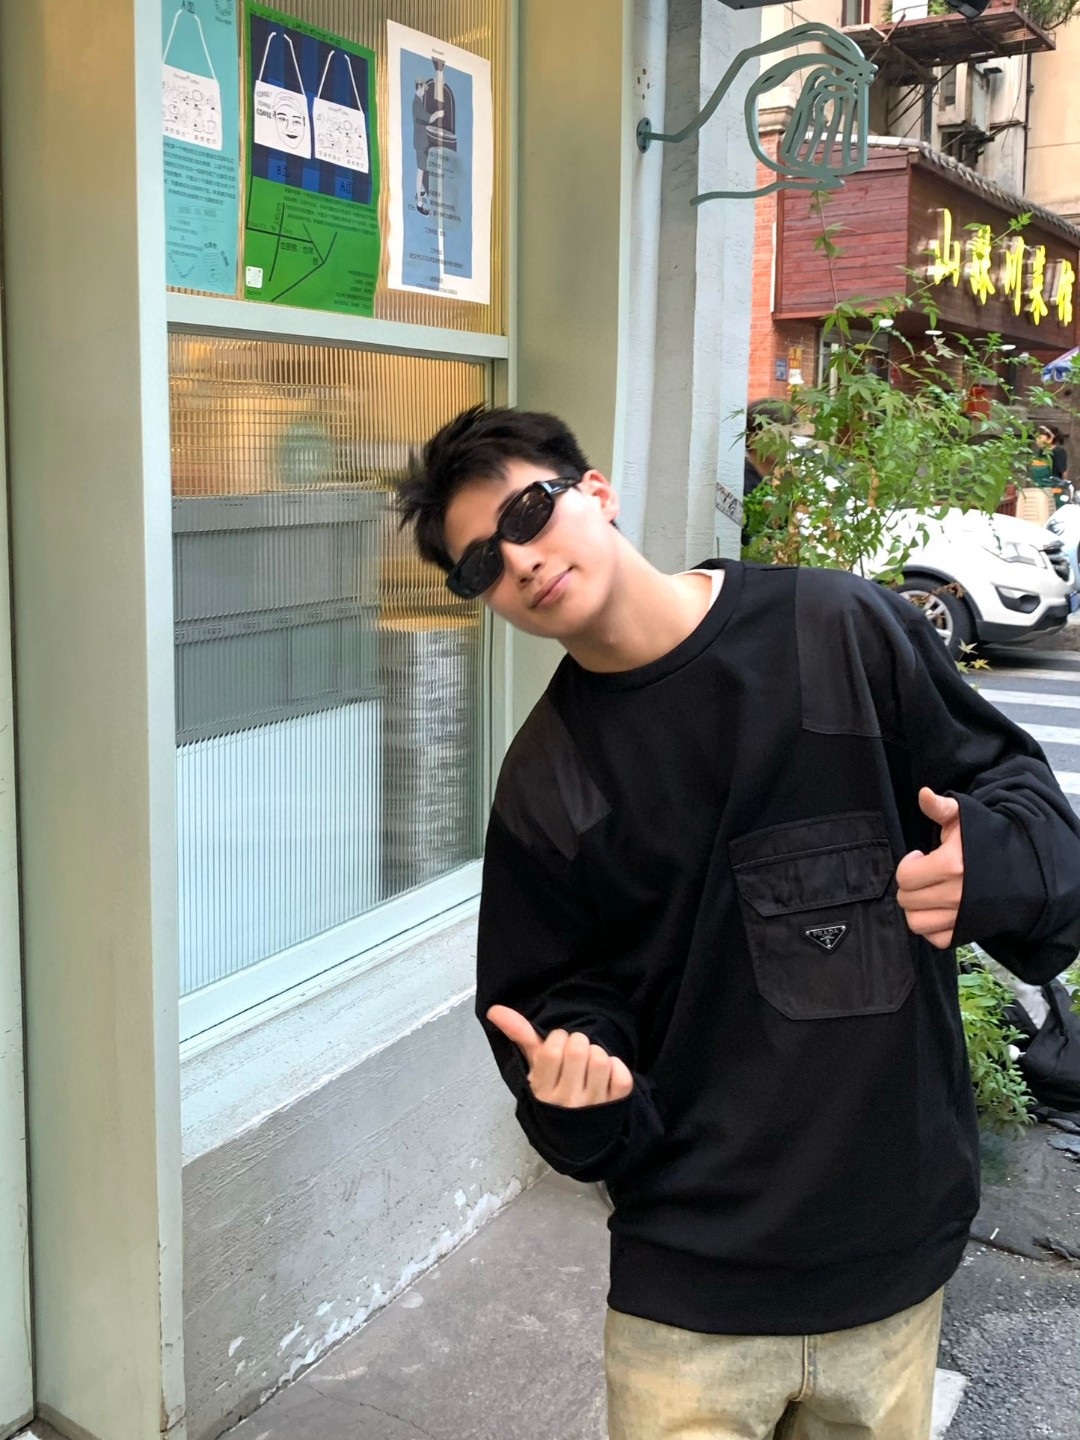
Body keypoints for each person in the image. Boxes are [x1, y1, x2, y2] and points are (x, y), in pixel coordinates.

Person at [396, 405, 1080, 1440]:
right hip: (690, 1285)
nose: (521, 560)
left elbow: (1020, 799)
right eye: (483, 563)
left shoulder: (837, 631)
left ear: (596, 493)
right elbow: (551, 1003)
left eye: (529, 513)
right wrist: (580, 1088)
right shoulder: (549, 780)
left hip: (889, 1248)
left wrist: (988, 864)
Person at [1029, 424, 1070, 507]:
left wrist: (1064, 488)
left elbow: (1064, 472)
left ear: (1050, 439)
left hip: (1054, 491)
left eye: (1040, 437)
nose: (1037, 440)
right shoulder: (1041, 452)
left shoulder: (1058, 452)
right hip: (1040, 490)